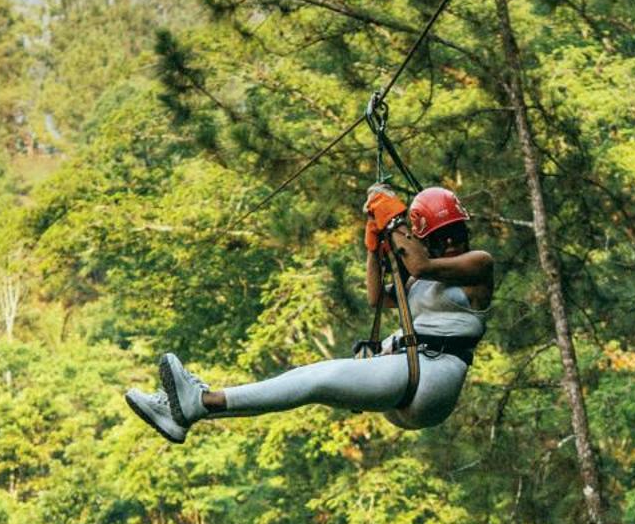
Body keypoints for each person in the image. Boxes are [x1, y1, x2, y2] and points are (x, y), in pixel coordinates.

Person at [124, 183, 492, 442]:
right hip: (408, 371)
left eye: (456, 234)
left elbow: (422, 266)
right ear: (426, 239)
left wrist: (393, 220)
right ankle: (186, 411)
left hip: (433, 377)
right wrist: (373, 249)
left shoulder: (478, 265)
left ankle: (200, 401)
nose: (452, 244)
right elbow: (377, 298)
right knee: (309, 386)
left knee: (316, 378)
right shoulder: (417, 278)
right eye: (441, 238)